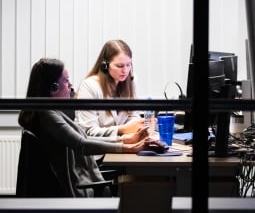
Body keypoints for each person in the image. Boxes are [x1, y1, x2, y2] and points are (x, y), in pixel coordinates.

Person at [17, 57, 162, 197]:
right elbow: (82, 145)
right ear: (53, 87)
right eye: (66, 81)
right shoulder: (47, 116)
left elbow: (85, 137)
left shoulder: (52, 112)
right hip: (78, 189)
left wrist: (125, 140)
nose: (71, 85)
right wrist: (130, 148)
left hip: (80, 183)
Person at [75, 39, 146, 138]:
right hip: (96, 146)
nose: (125, 70)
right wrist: (122, 130)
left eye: (128, 64)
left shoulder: (131, 81)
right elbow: (88, 131)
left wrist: (139, 127)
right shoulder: (89, 86)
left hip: (123, 142)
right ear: (105, 65)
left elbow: (133, 115)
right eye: (119, 66)